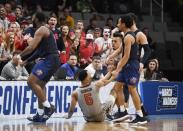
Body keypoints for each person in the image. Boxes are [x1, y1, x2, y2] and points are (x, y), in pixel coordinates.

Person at [19, 12, 61, 122]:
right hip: (53, 60)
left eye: (32, 17)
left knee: (31, 82)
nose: (31, 19)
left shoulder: (41, 29)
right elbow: (39, 51)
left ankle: (48, 107)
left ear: (36, 19)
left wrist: (19, 55)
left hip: (49, 59)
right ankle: (40, 113)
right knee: (40, 86)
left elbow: (31, 47)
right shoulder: (45, 30)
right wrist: (27, 60)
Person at [109, 14, 148, 124]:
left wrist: (117, 69)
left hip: (131, 65)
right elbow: (122, 52)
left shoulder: (129, 37)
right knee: (117, 87)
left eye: (119, 22)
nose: (117, 24)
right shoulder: (126, 35)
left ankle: (140, 115)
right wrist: (110, 57)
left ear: (124, 24)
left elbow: (126, 57)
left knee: (132, 90)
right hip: (127, 65)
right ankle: (122, 111)